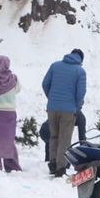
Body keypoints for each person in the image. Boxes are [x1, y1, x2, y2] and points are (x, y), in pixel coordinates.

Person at [41, 48, 87, 177]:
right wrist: (77, 106)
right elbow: (80, 93)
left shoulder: (55, 66)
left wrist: (51, 98)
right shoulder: (80, 71)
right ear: (81, 59)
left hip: (52, 108)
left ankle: (52, 163)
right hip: (68, 109)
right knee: (64, 139)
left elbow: (45, 84)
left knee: (54, 136)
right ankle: (60, 168)